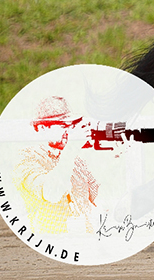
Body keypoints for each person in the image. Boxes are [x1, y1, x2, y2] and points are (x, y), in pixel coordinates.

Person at [14, 96, 99, 234]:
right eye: (62, 125)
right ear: (41, 127)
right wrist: (71, 150)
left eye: (70, 125)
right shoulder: (27, 159)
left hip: (81, 240)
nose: (68, 131)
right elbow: (51, 193)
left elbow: (96, 196)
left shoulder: (70, 156)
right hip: (47, 240)